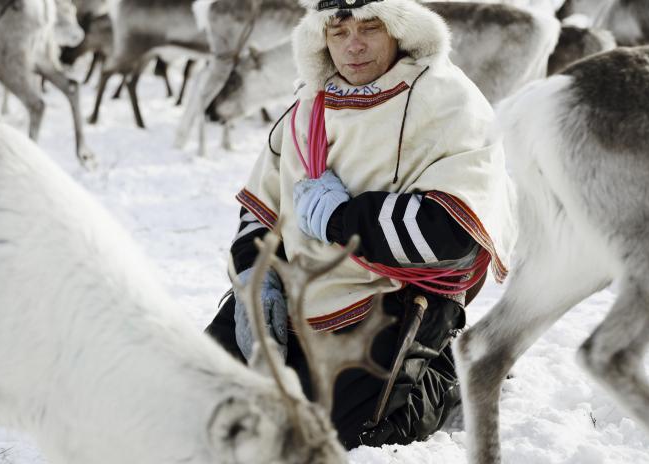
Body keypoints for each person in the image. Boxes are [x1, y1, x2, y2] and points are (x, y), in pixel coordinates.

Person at [204, 0, 515, 449]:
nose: (353, 47)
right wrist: (255, 275)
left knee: (353, 435)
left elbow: (454, 232)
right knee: (207, 393)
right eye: (338, 32)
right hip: (294, 289)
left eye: (370, 28)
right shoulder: (310, 102)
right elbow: (262, 204)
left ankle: (452, 374)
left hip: (393, 295)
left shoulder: (448, 100)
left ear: (399, 30)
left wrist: (340, 219)